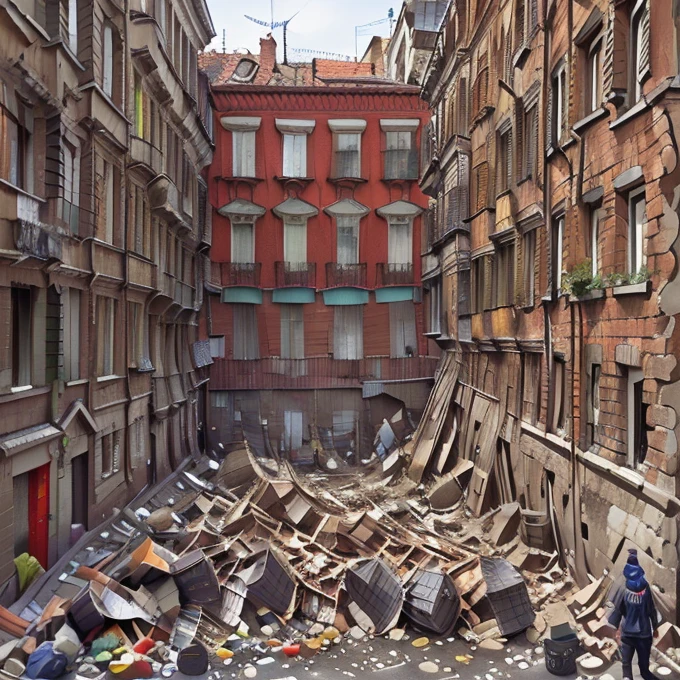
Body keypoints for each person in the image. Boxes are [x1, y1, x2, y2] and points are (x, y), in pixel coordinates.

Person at [608, 549, 659, 680]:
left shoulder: (623, 588)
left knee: (626, 670)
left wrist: (616, 631)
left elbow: (618, 611)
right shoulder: (646, 588)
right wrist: (655, 626)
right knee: (645, 671)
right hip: (644, 635)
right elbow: (651, 610)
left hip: (627, 634)